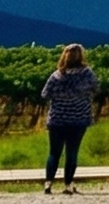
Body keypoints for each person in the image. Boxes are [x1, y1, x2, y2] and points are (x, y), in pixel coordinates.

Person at [41, 44, 99, 195]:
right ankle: (68, 184)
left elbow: (45, 94)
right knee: (72, 152)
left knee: (54, 152)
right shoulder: (87, 74)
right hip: (78, 119)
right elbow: (96, 89)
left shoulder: (56, 76)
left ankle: (48, 183)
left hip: (57, 119)